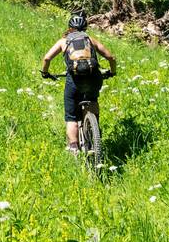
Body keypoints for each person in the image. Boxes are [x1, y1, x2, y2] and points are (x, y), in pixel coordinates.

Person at [40, 12, 117, 153]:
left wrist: (45, 73)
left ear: (70, 27)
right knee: (92, 100)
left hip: (74, 80)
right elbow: (111, 57)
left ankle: (73, 147)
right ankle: (94, 134)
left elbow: (46, 59)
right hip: (94, 77)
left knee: (71, 116)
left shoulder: (63, 41)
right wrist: (112, 72)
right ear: (85, 27)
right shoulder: (90, 40)